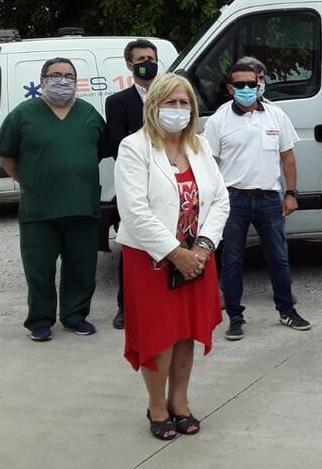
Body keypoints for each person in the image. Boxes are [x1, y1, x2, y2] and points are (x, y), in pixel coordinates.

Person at [114, 73, 230, 440]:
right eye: (170, 102)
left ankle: (179, 401)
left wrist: (202, 248)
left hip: (197, 257)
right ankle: (157, 405)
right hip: (153, 259)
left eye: (184, 103)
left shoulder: (200, 147)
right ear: (153, 106)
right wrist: (174, 252)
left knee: (186, 332)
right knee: (160, 335)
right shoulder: (135, 148)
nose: (178, 109)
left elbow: (220, 201)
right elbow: (134, 211)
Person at [0, 57, 106, 341]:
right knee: (39, 269)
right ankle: (40, 321)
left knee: (81, 266)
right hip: (39, 208)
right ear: (43, 79)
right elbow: (6, 153)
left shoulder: (89, 114)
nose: (62, 80)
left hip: (83, 205)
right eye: (55, 75)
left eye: (69, 76)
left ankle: (75, 316)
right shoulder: (23, 114)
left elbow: (100, 150)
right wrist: (28, 180)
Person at [202, 61, 311, 341]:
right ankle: (235, 317)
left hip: (269, 200)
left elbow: (288, 157)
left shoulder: (276, 116)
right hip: (233, 200)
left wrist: (292, 193)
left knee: (279, 259)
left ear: (259, 84)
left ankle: (287, 310)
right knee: (232, 260)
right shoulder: (218, 120)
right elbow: (210, 164)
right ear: (230, 88)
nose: (248, 89)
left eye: (252, 84)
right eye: (240, 85)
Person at [106, 38, 161, 330]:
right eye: (141, 59)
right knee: (132, 248)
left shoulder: (171, 96)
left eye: (151, 58)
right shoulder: (117, 102)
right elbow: (117, 147)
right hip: (135, 185)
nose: (147, 64)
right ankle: (125, 307)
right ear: (129, 65)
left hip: (167, 184)